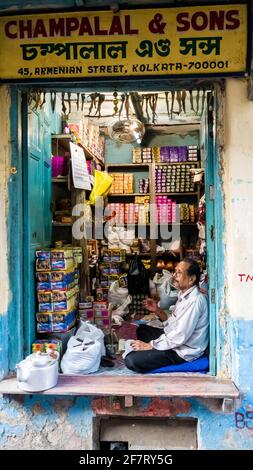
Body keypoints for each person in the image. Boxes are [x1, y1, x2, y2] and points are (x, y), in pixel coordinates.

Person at [124, 258, 209, 373]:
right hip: (177, 341)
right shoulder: (184, 295)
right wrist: (157, 310)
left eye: (179, 272)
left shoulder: (194, 301)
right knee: (142, 330)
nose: (174, 275)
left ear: (191, 279)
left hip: (183, 351)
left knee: (131, 360)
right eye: (175, 271)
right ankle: (153, 352)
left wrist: (149, 346)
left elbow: (179, 335)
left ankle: (158, 356)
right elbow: (174, 324)